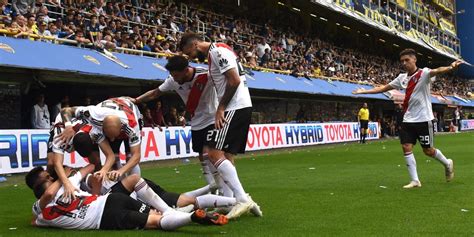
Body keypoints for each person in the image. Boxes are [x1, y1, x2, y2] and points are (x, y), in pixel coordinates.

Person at [179, 32, 262, 219]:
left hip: (234, 106)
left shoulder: (217, 52)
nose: (192, 58)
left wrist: (221, 108)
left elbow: (234, 80)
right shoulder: (218, 51)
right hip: (240, 105)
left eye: (189, 54)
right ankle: (230, 200)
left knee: (213, 152)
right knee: (225, 154)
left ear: (193, 45)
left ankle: (242, 199)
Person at [353, 48, 461, 188]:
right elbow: (384, 88)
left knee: (428, 150)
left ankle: (447, 163)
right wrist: (364, 91)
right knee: (406, 146)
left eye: (407, 60)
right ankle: (415, 180)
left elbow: (438, 70)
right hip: (408, 119)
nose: (404, 63)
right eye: (402, 61)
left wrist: (450, 66)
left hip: (424, 118)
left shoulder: (424, 73)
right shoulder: (402, 78)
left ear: (414, 60)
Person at [133, 55, 234, 198]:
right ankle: (213, 186)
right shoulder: (172, 81)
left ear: (186, 70)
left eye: (176, 75)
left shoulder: (205, 75)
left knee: (212, 154)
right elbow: (155, 93)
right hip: (196, 121)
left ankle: (225, 191)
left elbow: (228, 83)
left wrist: (224, 108)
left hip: (213, 118)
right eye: (172, 75)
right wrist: (136, 100)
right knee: (202, 156)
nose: (174, 78)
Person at [25, 165, 227, 231]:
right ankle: (179, 212)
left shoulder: (41, 213)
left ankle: (189, 217)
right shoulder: (63, 186)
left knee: (156, 221)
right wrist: (66, 175)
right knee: (139, 184)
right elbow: (87, 168)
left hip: (106, 214)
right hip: (110, 201)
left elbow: (35, 219)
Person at [58, 97, 143, 181]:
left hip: (130, 112)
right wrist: (68, 126)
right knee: (115, 159)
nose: (112, 140)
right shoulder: (93, 115)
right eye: (109, 136)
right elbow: (66, 110)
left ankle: (136, 183)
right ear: (102, 128)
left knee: (130, 157)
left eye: (114, 136)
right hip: (108, 110)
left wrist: (121, 171)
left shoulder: (132, 126)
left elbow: (136, 156)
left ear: (120, 129)